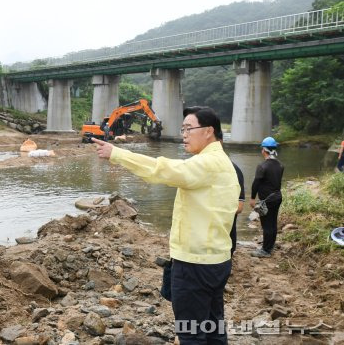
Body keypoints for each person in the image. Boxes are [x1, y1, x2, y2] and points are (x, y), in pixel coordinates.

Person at [92, 106, 239, 344]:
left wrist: (118, 154)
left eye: (189, 129)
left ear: (209, 131)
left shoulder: (207, 164)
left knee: (191, 333)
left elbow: (163, 170)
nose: (184, 134)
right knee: (213, 327)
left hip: (195, 264)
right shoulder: (225, 163)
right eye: (182, 129)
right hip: (216, 260)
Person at [250, 137, 284, 258]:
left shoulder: (262, 166)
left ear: (263, 150)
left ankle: (265, 250)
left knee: (266, 225)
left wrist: (252, 198)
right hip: (277, 197)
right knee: (273, 223)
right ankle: (270, 246)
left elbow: (256, 183)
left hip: (267, 200)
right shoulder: (280, 165)